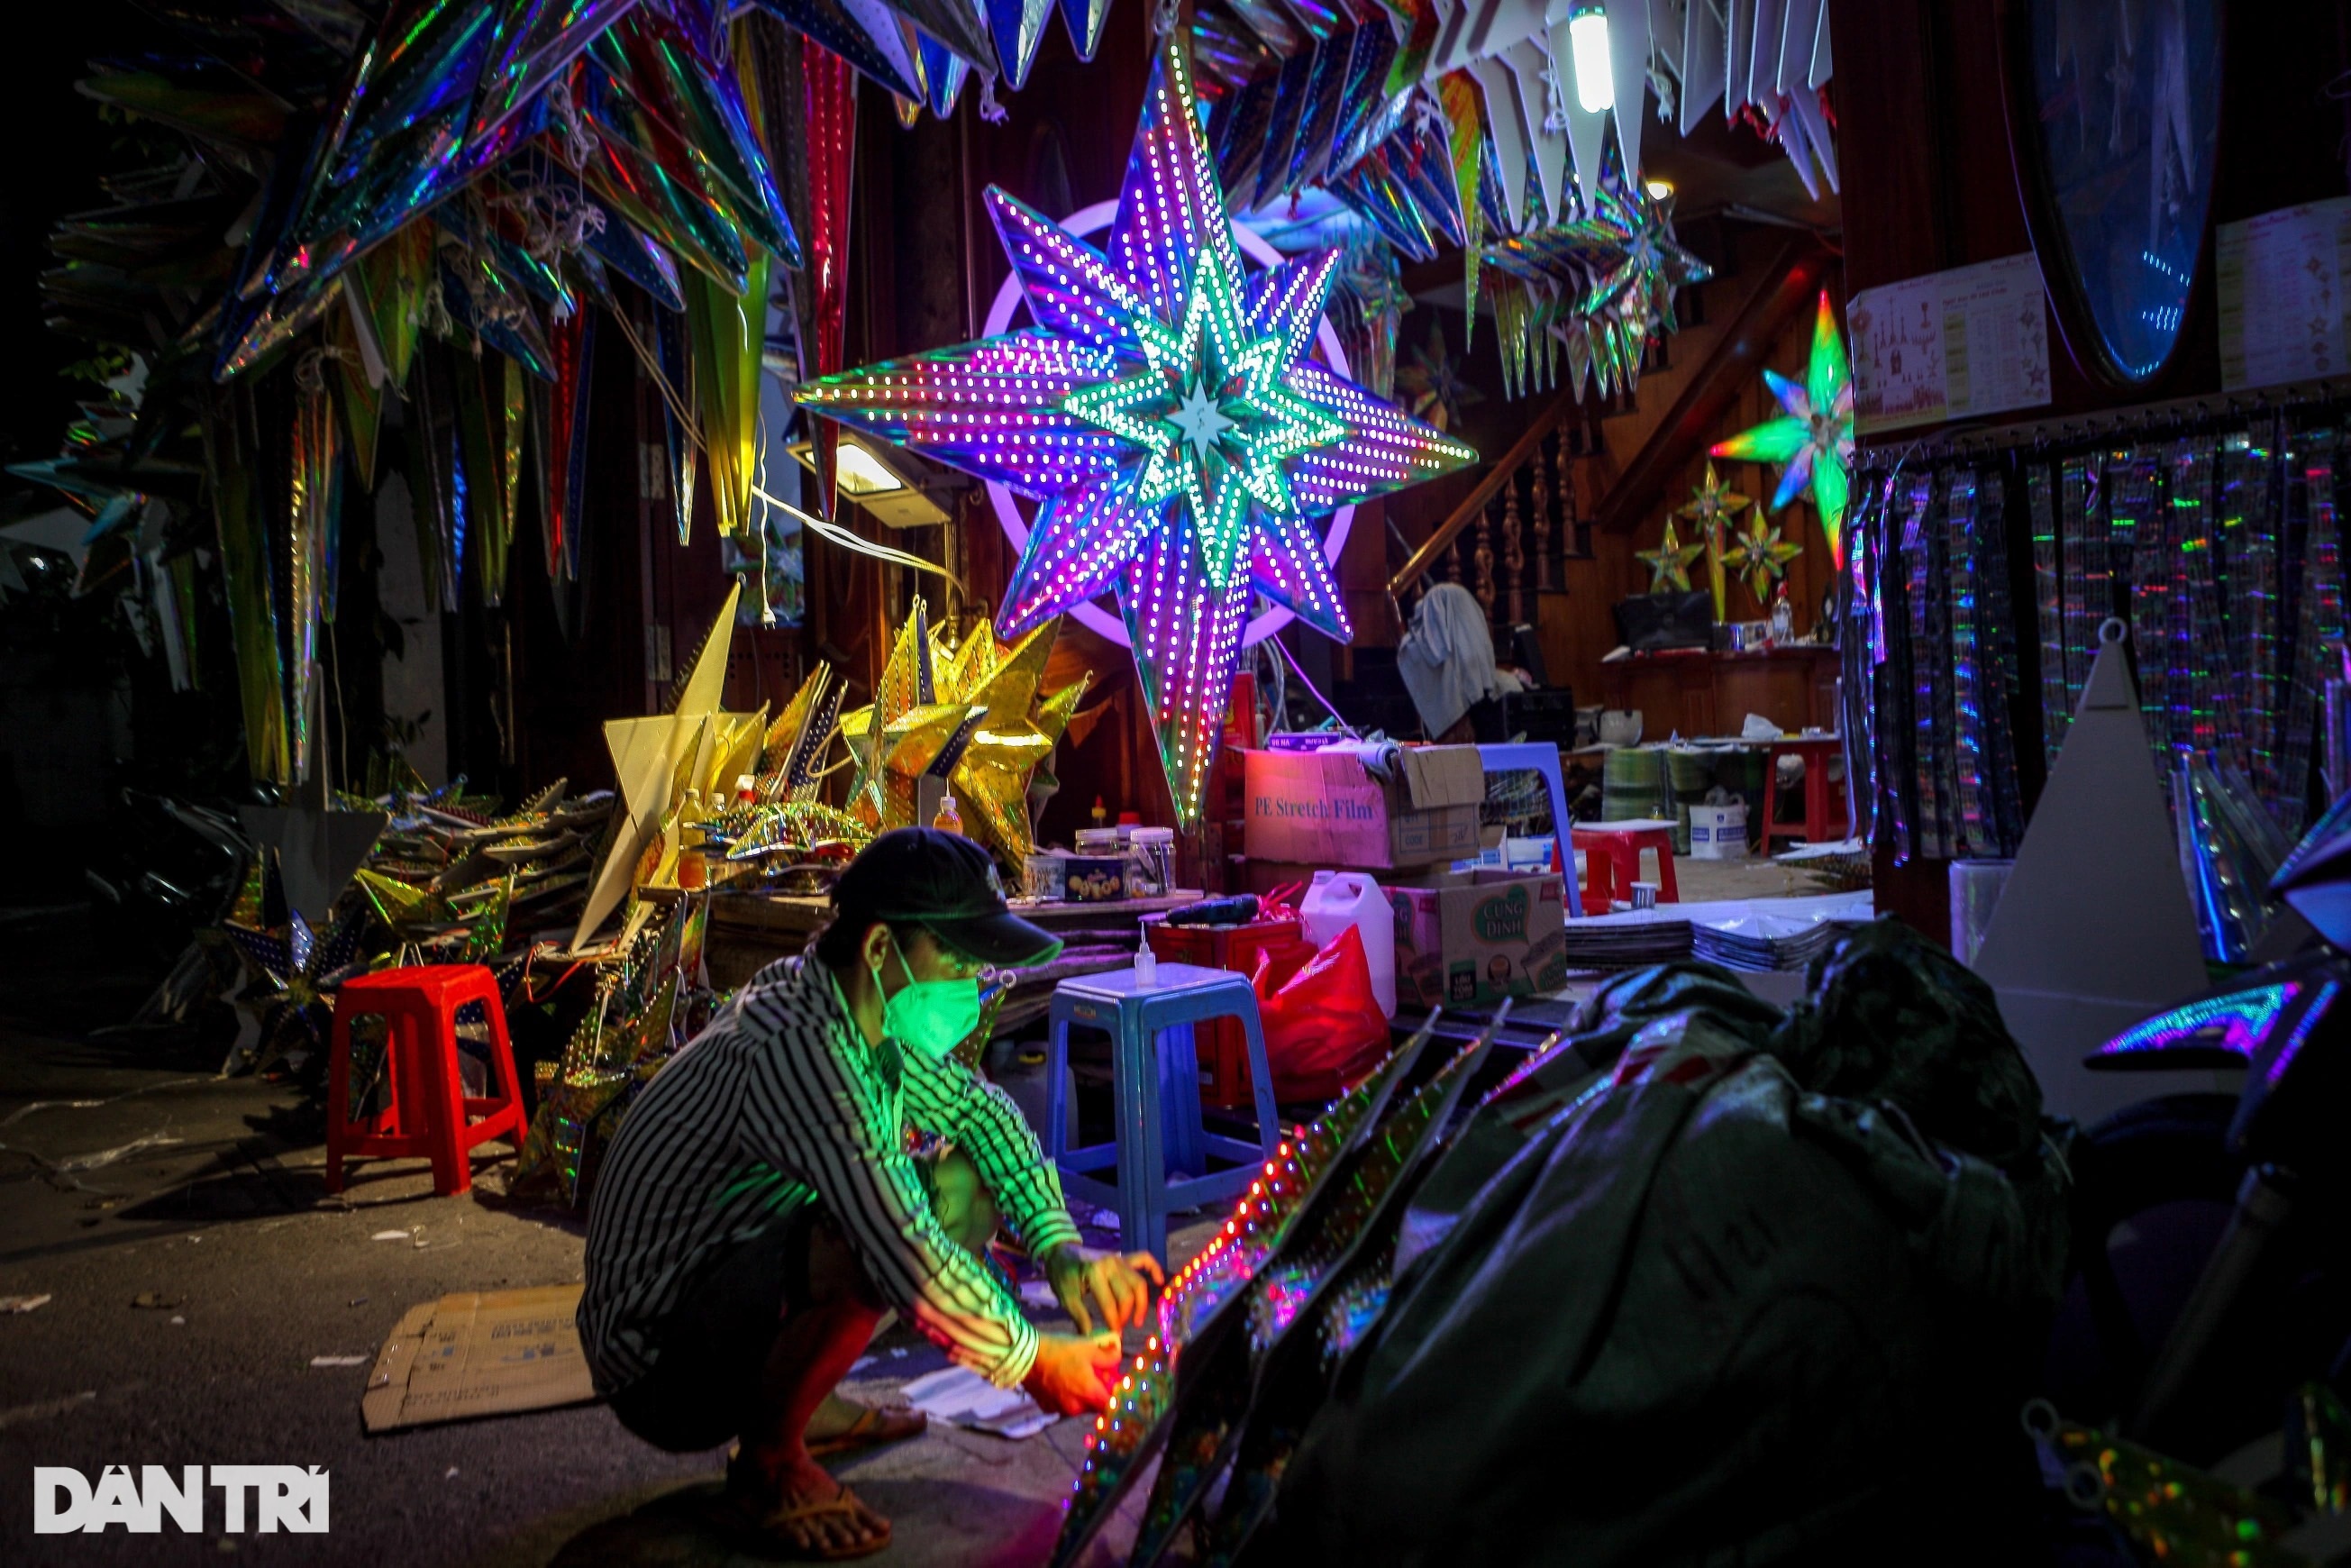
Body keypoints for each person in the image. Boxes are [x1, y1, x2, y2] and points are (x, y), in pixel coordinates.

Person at [581, 828, 1164, 1558]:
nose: (967, 981)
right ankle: (768, 1462)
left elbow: (982, 1114)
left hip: (722, 1279)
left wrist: (1061, 1251)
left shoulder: (859, 1015)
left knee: (961, 1184)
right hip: (657, 1361)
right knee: (868, 1238)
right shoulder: (808, 1051)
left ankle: (798, 1400)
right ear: (882, 949)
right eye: (953, 957)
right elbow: (902, 1250)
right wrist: (1035, 1360)